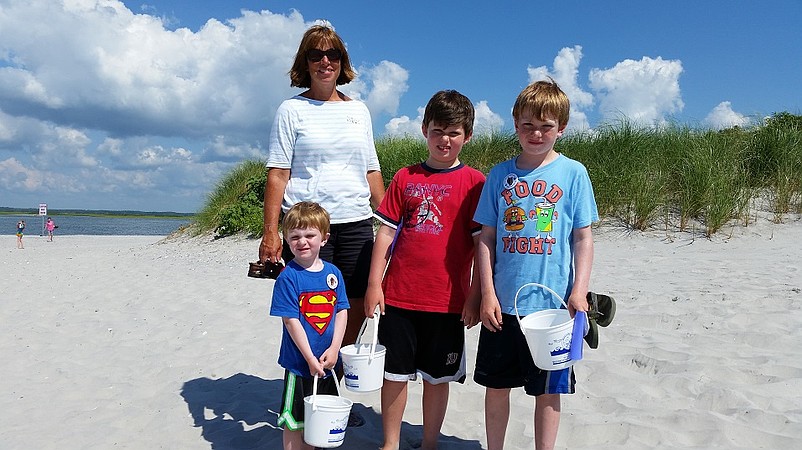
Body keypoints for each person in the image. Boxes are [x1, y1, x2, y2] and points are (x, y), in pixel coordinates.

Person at [473, 79, 599, 450]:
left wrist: (578, 291)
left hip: (552, 309)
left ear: (561, 128)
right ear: (515, 125)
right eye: (528, 125)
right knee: (497, 387)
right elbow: (486, 239)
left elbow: (583, 237)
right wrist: (487, 294)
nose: (536, 133)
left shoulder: (573, 173)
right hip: (503, 305)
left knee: (548, 391)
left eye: (546, 126)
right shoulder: (499, 175)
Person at [259, 23, 385, 379]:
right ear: (306, 61)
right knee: (311, 311)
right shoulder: (291, 110)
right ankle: (302, 390)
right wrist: (271, 232)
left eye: (333, 54)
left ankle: (331, 381)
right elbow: (278, 173)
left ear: (342, 62)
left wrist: (393, 223)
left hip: (357, 223)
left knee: (356, 306)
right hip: (308, 228)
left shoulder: (358, 110)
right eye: (316, 54)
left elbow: (371, 171)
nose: (325, 61)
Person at [365, 90, 485, 450]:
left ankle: (429, 442)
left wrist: (476, 296)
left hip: (448, 302)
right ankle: (391, 443)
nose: (444, 140)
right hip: (399, 298)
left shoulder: (475, 183)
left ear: (467, 136)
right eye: (437, 131)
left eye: (453, 132)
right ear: (424, 130)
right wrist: (374, 284)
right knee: (394, 376)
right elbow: (385, 231)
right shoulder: (405, 177)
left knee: (437, 379)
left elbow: (483, 246)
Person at [269, 201, 350, 450]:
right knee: (295, 421)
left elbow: (342, 310)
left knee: (320, 419)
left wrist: (336, 348)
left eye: (309, 235)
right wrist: (309, 358)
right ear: (286, 239)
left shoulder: (333, 273)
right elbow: (291, 322)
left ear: (324, 238)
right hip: (299, 364)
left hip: (328, 362)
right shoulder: (288, 277)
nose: (302, 241)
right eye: (295, 236)